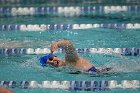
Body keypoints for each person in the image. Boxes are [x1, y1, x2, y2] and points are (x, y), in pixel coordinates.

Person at [39, 40, 110, 73]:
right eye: (50, 63)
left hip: (106, 74)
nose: (52, 62)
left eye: (51, 58)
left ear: (55, 56)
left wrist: (57, 44)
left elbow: (68, 44)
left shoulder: (69, 60)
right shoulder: (66, 68)